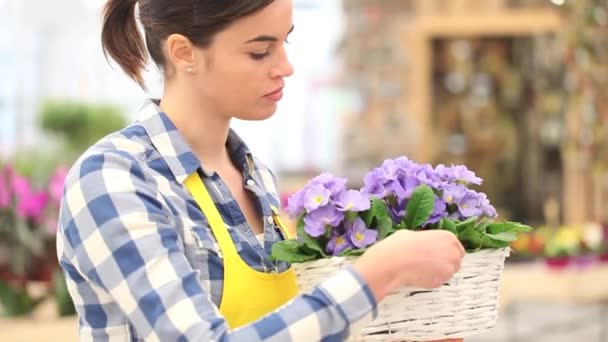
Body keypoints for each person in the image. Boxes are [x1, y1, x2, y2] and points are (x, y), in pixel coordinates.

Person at [56, 0, 465, 340]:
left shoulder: (254, 176)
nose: (285, 66)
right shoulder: (114, 179)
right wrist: (379, 271)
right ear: (183, 52)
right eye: (259, 51)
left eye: (284, 42)